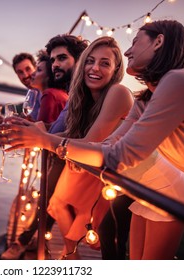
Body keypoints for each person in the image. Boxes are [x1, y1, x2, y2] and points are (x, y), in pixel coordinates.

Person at [0, 20, 184, 259]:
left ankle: (70, 255)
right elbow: (109, 147)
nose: (128, 51)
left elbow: (119, 156)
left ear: (158, 42)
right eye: (90, 61)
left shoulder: (179, 80)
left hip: (167, 189)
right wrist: (36, 136)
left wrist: (45, 140)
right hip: (146, 190)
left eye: (135, 42)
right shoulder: (146, 99)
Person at [0, 34, 88, 260]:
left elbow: (54, 131)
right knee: (55, 204)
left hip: (66, 157)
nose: (27, 76)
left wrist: (33, 132)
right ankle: (58, 251)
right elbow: (50, 125)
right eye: (53, 60)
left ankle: (32, 243)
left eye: (34, 69)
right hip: (62, 153)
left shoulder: (52, 94)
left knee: (54, 203)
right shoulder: (62, 93)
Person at [47, 36, 133, 259]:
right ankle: (71, 256)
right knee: (57, 203)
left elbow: (89, 143)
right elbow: (74, 136)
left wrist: (39, 138)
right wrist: (34, 132)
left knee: (110, 241)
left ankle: (72, 255)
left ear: (115, 71)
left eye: (105, 63)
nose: (94, 68)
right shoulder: (86, 98)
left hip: (123, 178)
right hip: (96, 166)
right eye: (90, 61)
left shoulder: (119, 93)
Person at [31, 50, 68, 123]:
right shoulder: (60, 93)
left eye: (38, 70)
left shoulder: (49, 94)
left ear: (49, 76)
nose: (32, 73)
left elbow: (40, 131)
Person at [12, 52, 41, 120]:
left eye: (28, 69)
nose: (25, 75)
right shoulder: (30, 92)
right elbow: (30, 119)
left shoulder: (45, 91)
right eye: (20, 72)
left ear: (35, 68)